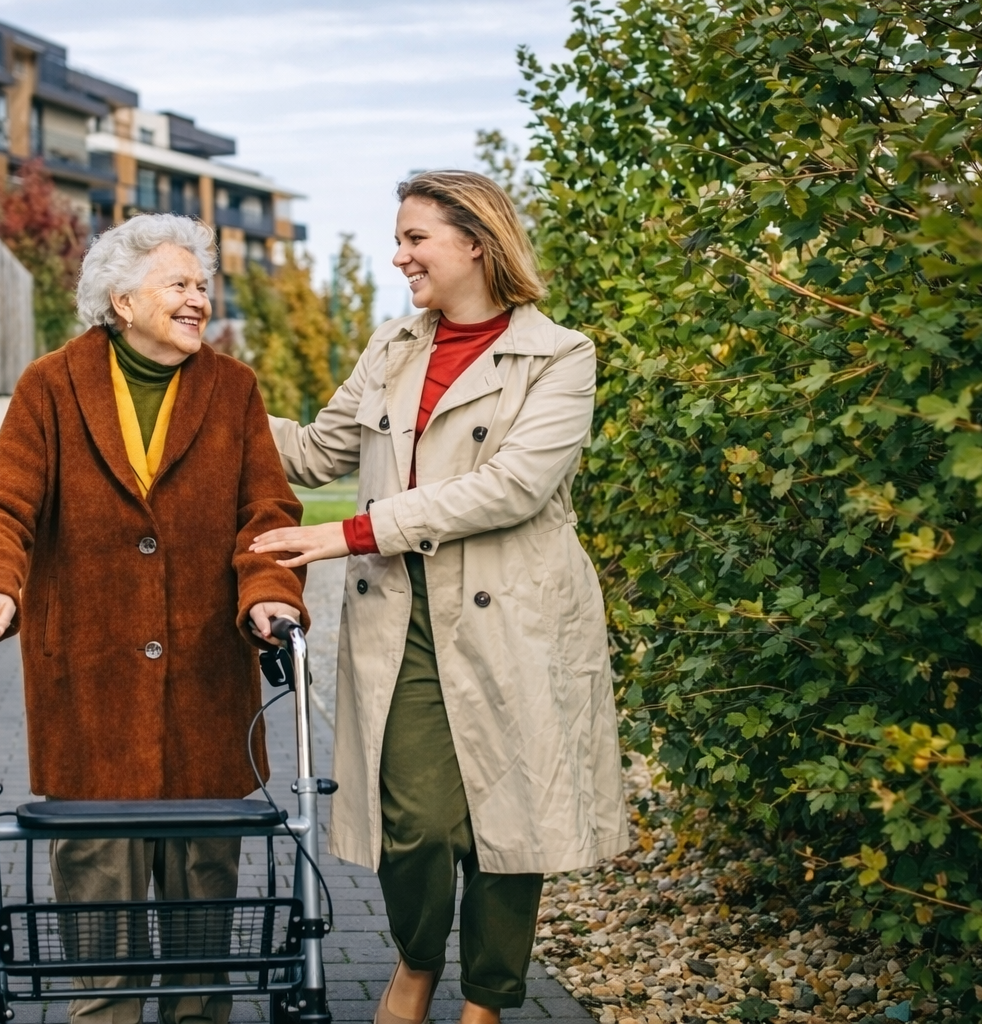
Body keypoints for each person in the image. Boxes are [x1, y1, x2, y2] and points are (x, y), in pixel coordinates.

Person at [250, 171, 628, 1024]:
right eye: (401, 237)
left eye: (415, 238)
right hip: (402, 611)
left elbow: (512, 488)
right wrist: (214, 394)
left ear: (477, 243)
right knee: (414, 821)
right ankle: (418, 958)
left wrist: (351, 532)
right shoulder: (393, 346)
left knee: (510, 813)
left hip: (517, 611)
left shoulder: (560, 356)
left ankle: (487, 999)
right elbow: (314, 453)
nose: (400, 255)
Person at [0, 213, 308, 1024]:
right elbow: (2, 502)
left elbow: (265, 510)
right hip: (92, 693)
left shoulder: (233, 387)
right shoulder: (52, 384)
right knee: (98, 928)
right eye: (179, 285)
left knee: (202, 936)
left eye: (201, 286)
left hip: (207, 697)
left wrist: (269, 592)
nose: (198, 299)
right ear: (121, 299)